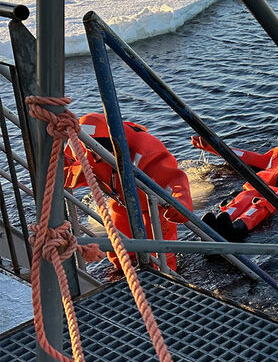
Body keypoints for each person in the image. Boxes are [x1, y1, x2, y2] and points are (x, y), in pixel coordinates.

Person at [64, 113, 193, 272]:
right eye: (92, 148)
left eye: (102, 148)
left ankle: (170, 282)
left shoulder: (146, 148)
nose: (97, 155)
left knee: (161, 256)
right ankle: (125, 277)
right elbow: (66, 165)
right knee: (120, 253)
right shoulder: (79, 144)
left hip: (155, 208)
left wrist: (181, 202)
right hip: (121, 203)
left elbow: (175, 179)